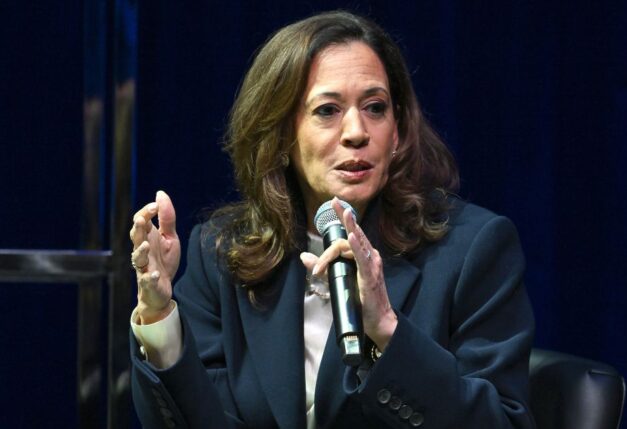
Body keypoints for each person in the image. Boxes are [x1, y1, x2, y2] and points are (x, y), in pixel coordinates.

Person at [128, 10, 535, 429]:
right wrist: (158, 317)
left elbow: (503, 422)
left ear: (397, 130)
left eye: (375, 107)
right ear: (280, 134)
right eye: (328, 110)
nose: (357, 131)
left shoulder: (472, 249)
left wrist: (388, 331)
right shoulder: (221, 252)